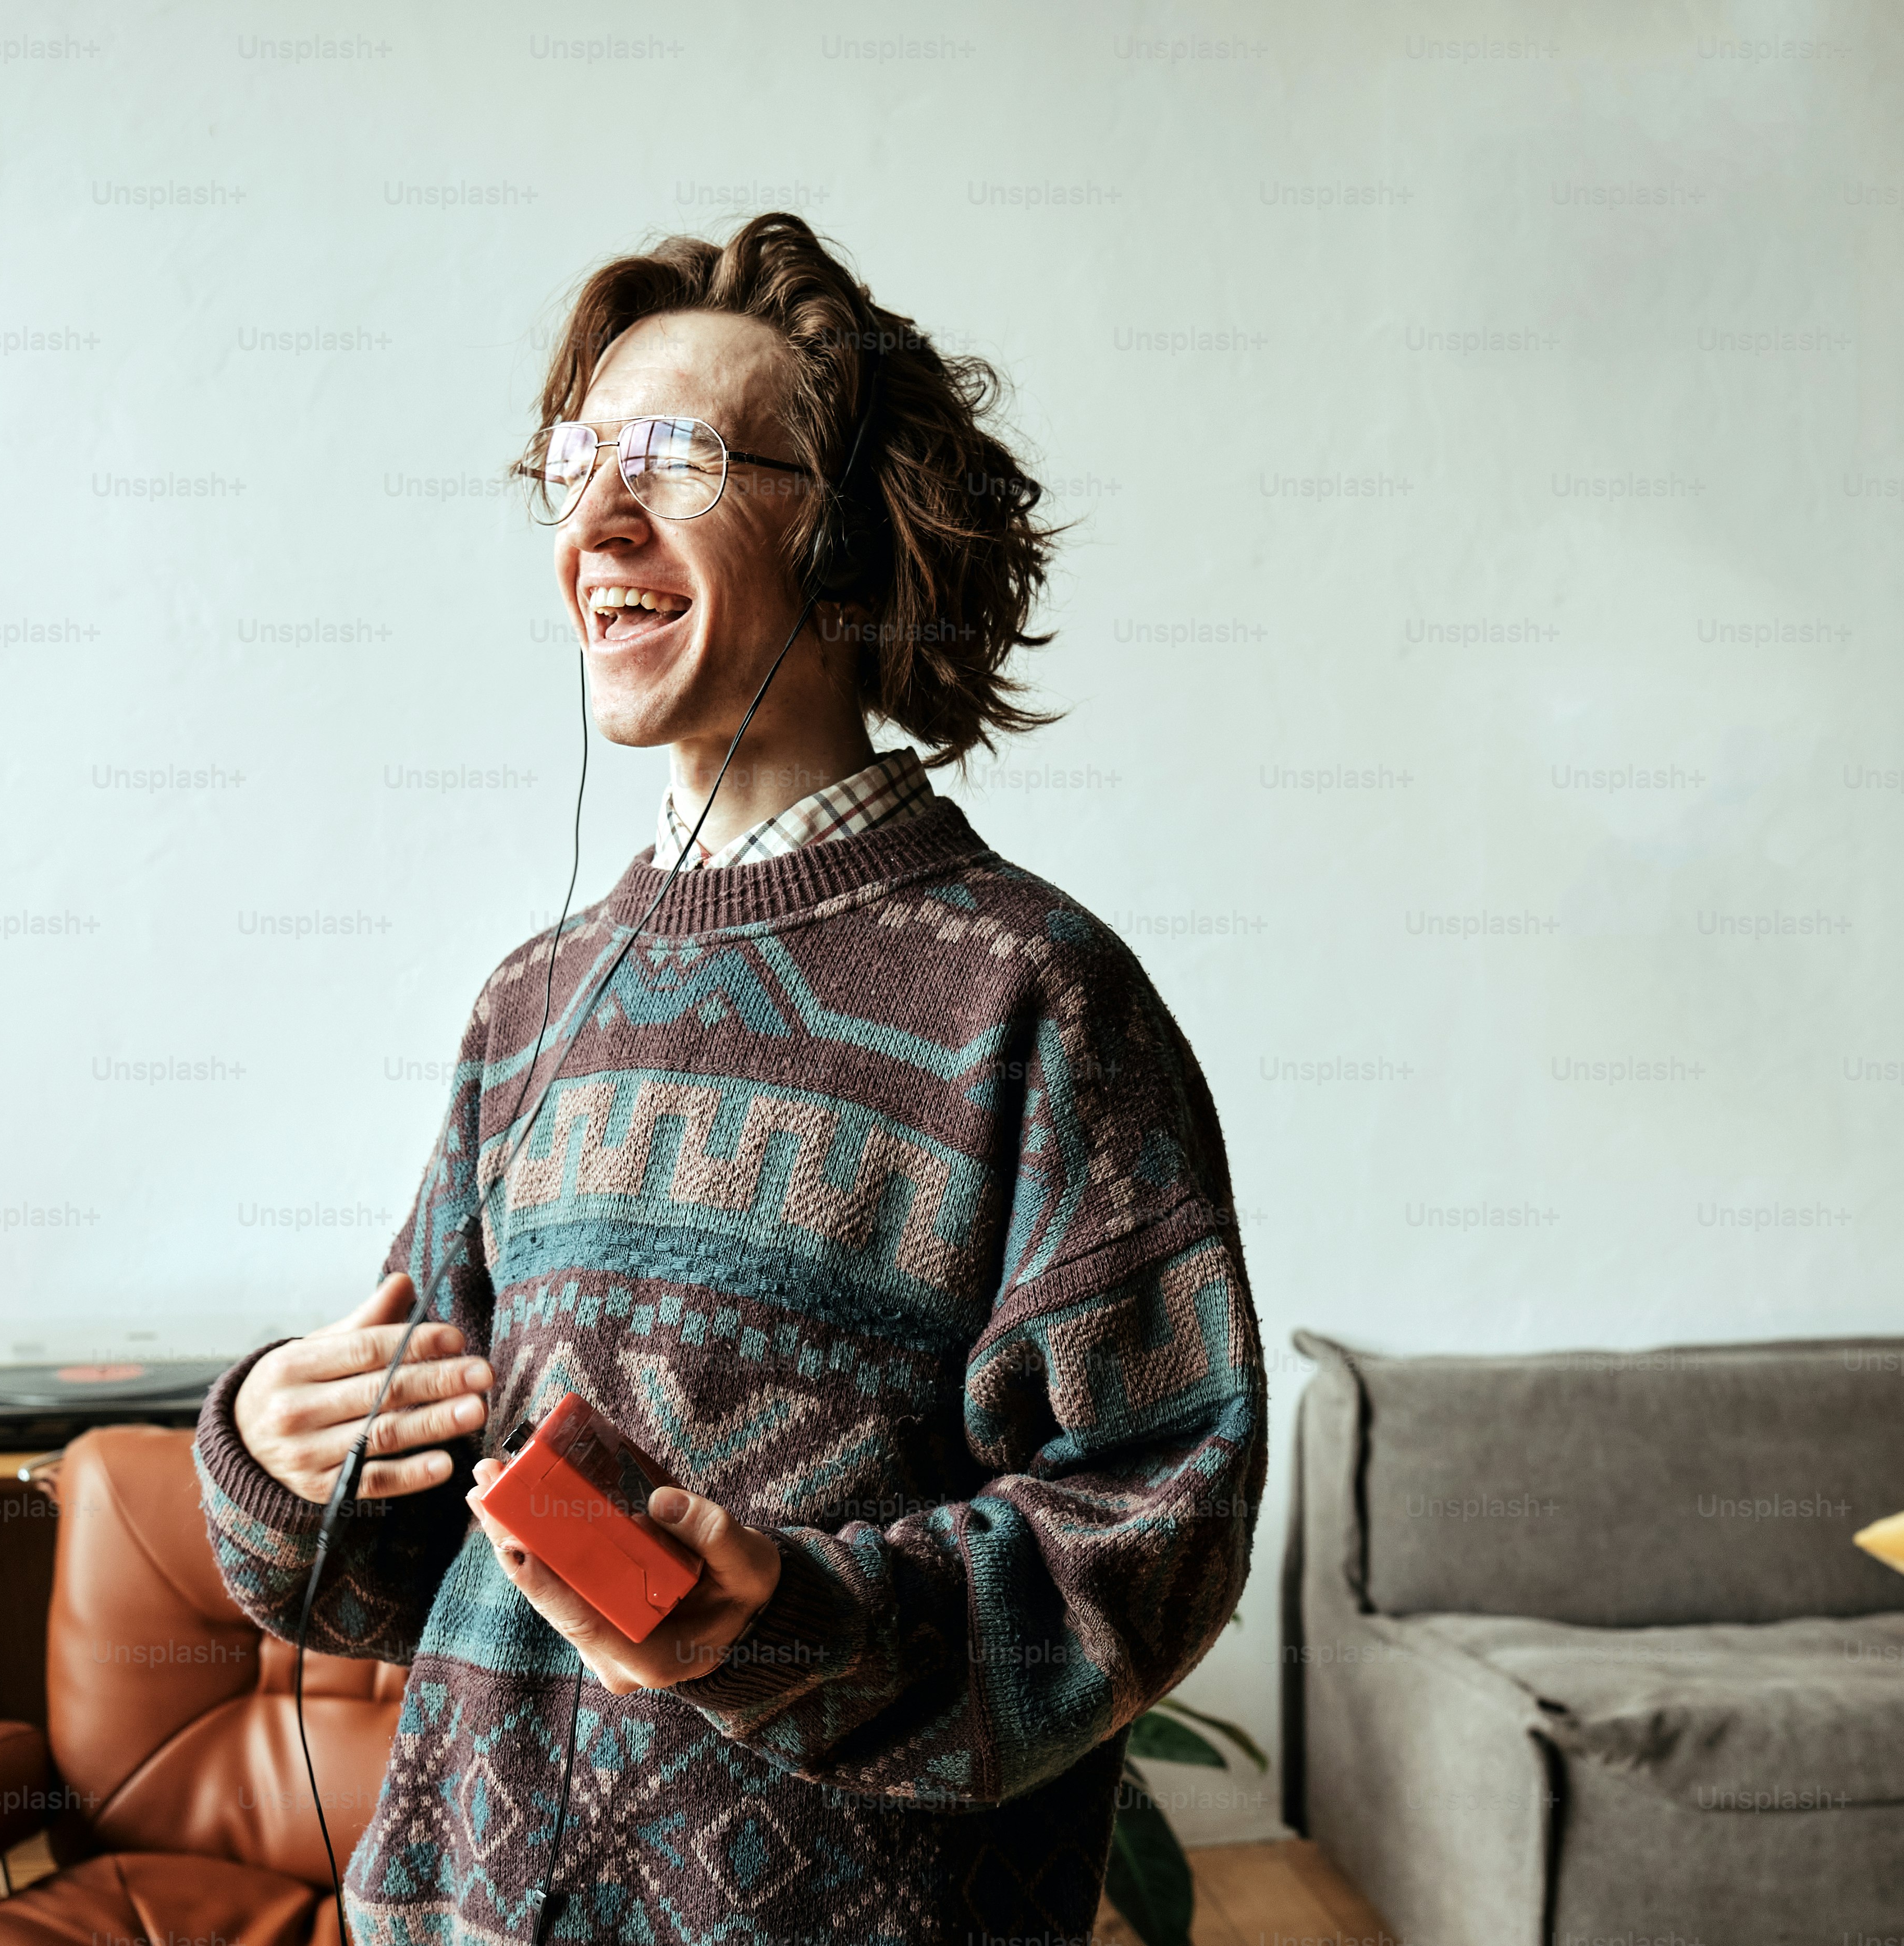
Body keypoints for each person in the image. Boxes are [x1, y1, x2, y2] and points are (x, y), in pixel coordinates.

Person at [192, 211, 1265, 1946]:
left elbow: (1154, 1538)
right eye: (575, 465)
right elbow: (404, 1555)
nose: (597, 521)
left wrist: (795, 1621)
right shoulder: (527, 1007)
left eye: (671, 459)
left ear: (844, 543)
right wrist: (270, 1450)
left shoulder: (1035, 1000)